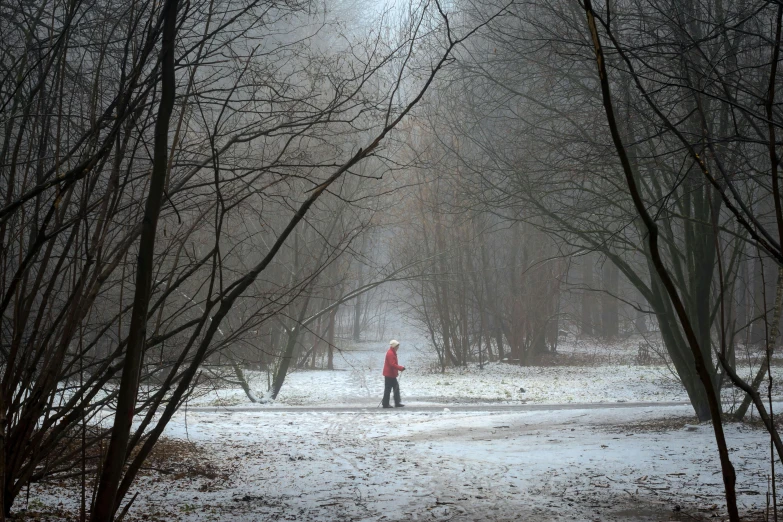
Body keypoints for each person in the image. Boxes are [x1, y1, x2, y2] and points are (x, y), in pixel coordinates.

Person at [382, 339, 405, 408]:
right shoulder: (390, 353)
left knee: (395, 388)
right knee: (388, 389)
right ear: (394, 346)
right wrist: (400, 368)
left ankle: (396, 402)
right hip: (389, 374)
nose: (398, 348)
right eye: (397, 346)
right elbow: (392, 364)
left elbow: (393, 364)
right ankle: (386, 404)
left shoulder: (392, 352)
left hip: (391, 374)